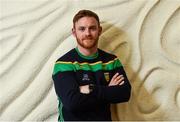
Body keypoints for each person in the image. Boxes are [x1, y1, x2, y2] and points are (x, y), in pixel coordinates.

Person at [52, 9, 131, 121]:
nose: (87, 33)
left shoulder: (111, 61)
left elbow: (124, 93)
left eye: (92, 28)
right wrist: (108, 90)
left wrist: (90, 88)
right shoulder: (64, 64)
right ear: (74, 32)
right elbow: (72, 103)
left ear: (99, 31)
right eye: (82, 29)